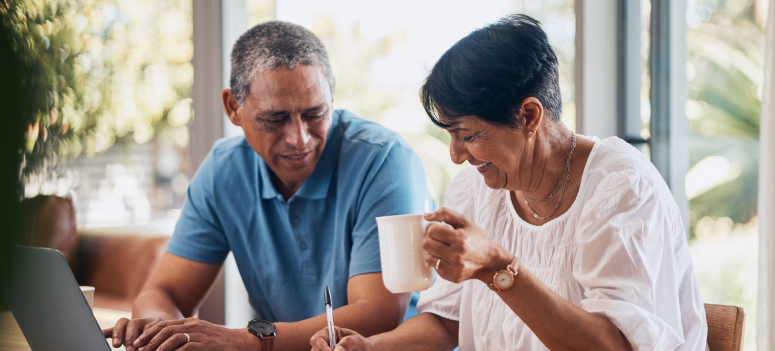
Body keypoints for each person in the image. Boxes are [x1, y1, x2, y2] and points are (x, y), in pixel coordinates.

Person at [310, 14, 707, 351]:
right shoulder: (475, 189)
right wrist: (371, 345)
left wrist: (496, 269)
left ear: (530, 116)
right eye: (450, 136)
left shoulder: (620, 188)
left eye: (468, 135)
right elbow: (446, 321)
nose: (455, 155)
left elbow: (615, 346)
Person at [104, 21, 432, 351]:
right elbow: (164, 293)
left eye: (315, 113)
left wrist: (242, 341)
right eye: (274, 119)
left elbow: (378, 312)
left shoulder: (385, 161)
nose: (300, 138)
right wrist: (160, 332)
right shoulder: (224, 170)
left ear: (331, 98)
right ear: (233, 107)